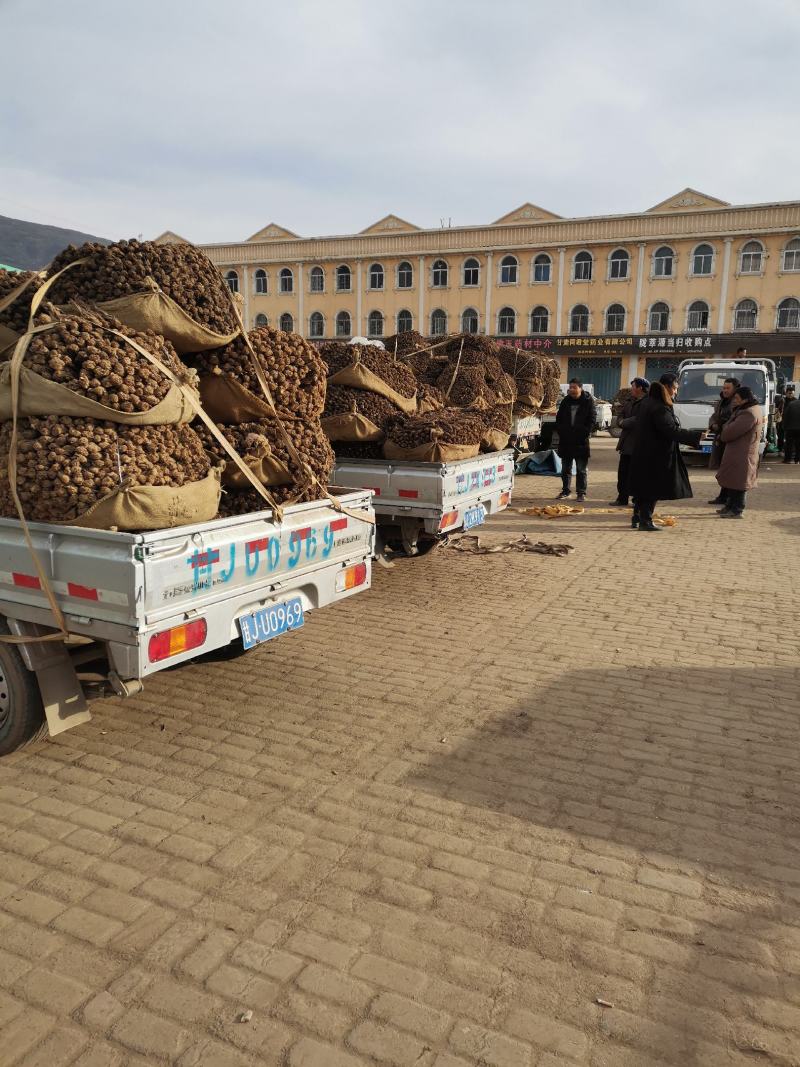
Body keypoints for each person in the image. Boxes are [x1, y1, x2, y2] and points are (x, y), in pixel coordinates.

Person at [628, 373, 703, 532]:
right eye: (675, 388)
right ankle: (645, 521)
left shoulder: (647, 402)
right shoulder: (659, 406)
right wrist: (695, 436)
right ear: (668, 387)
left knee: (642, 488)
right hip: (656, 455)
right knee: (652, 489)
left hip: (643, 452)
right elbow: (670, 430)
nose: (675, 392)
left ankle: (637, 517)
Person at [554, 379, 597, 501]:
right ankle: (565, 491)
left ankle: (581, 493)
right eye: (570, 387)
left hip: (580, 441)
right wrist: (562, 431)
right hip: (566, 441)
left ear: (580, 388)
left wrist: (585, 432)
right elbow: (559, 419)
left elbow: (592, 419)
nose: (571, 390)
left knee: (581, 469)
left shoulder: (588, 402)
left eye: (574, 387)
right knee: (565, 469)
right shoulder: (566, 401)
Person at [610, 377, 649, 506]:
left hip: (639, 444)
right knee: (623, 474)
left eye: (633, 386)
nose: (631, 389)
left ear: (640, 388)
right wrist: (622, 421)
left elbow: (639, 419)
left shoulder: (647, 403)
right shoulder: (629, 401)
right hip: (626, 444)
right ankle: (622, 497)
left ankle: (637, 499)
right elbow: (620, 416)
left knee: (637, 475)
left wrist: (625, 422)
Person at [707, 377, 740, 505]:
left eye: (728, 388)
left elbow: (734, 420)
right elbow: (714, 416)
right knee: (723, 469)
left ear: (735, 389)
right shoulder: (722, 401)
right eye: (724, 388)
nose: (725, 390)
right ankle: (723, 495)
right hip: (720, 438)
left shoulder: (737, 402)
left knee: (729, 470)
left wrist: (722, 426)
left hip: (730, 440)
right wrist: (713, 425)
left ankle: (729, 498)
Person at [783, 387, 800, 463]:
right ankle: (797, 460)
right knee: (798, 445)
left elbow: (786, 416)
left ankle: (787, 460)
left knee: (789, 444)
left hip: (790, 428)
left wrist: (784, 426)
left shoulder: (791, 404)